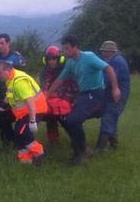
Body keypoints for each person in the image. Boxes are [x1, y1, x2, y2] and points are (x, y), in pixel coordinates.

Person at [47, 35, 120, 165]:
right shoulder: (70, 62)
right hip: (83, 94)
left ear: (76, 47)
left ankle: (80, 153)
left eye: (67, 48)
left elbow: (108, 69)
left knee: (73, 120)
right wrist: (46, 96)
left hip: (95, 93)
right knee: (66, 119)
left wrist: (115, 89)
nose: (65, 51)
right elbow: (59, 80)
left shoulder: (89, 57)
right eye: (64, 48)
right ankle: (82, 149)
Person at [0, 61, 46, 165]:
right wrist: (1, 106)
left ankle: (39, 154)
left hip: (34, 110)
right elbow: (11, 95)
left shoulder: (19, 82)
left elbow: (30, 102)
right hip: (23, 113)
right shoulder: (10, 79)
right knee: (18, 134)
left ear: (7, 70)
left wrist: (32, 121)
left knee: (22, 132)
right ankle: (25, 160)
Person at [0, 34, 27, 148]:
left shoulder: (17, 57)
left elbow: (23, 76)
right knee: (0, 117)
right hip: (2, 91)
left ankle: (21, 141)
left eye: (2, 43)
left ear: (8, 43)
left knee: (14, 115)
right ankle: (6, 142)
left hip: (16, 91)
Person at [94, 40, 130, 154]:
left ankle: (99, 148)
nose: (102, 53)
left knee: (108, 118)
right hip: (111, 95)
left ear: (110, 51)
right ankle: (114, 144)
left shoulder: (117, 62)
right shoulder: (112, 60)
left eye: (104, 51)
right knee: (110, 117)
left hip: (117, 96)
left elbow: (108, 79)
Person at [37, 46, 78, 145]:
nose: (51, 61)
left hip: (68, 98)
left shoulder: (67, 69)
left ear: (60, 59)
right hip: (52, 99)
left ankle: (77, 140)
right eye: (49, 59)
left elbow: (73, 87)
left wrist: (58, 95)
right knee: (49, 114)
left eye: (54, 59)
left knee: (62, 115)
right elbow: (43, 87)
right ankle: (53, 140)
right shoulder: (44, 71)